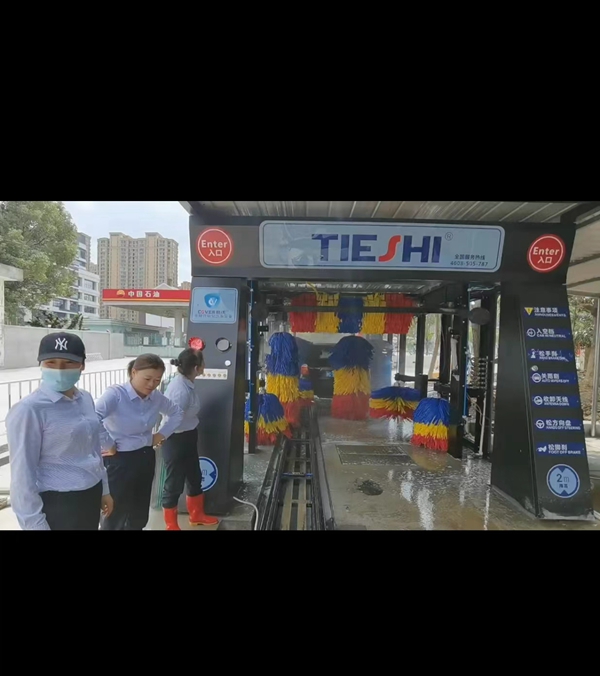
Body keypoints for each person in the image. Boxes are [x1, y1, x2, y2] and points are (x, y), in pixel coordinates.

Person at [6, 332, 113, 530]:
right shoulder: (29, 410)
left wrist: (104, 488)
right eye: (51, 363)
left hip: (90, 493)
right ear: (41, 365)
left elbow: (93, 450)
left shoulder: (85, 399)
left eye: (68, 363)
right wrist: (35, 525)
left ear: (82, 366)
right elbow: (22, 478)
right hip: (59, 503)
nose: (59, 370)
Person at [95, 353, 184, 530]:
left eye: (157, 380)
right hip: (119, 459)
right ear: (133, 372)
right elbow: (93, 418)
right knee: (115, 511)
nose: (152, 384)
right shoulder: (116, 394)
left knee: (139, 510)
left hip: (145, 456)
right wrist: (108, 444)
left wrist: (161, 434)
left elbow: (177, 413)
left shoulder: (156, 397)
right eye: (147, 379)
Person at [161, 348, 219, 530]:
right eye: (203, 362)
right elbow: (172, 419)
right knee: (174, 483)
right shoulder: (179, 390)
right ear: (196, 367)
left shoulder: (187, 384)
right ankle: (171, 525)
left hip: (187, 435)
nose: (205, 365)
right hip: (175, 440)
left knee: (194, 476)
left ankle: (197, 515)